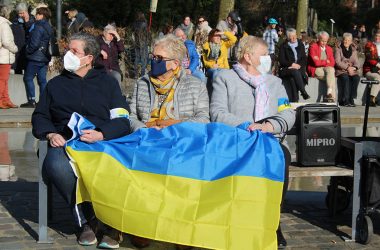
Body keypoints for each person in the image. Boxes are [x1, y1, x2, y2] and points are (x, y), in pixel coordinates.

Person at [32, 32, 131, 249]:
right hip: (65, 142)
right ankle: (86, 221)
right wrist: (50, 133)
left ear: (88, 58)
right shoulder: (55, 85)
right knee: (56, 165)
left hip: (101, 141)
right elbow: (40, 116)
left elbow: (123, 119)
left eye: (74, 51)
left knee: (121, 166)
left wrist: (102, 133)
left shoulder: (108, 83)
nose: (68, 54)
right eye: (68, 49)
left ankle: (111, 222)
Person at [209, 35, 295, 249]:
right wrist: (248, 126)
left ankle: (273, 223)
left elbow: (288, 114)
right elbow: (217, 112)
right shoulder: (225, 78)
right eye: (264, 55)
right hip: (237, 139)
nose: (269, 58)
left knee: (282, 156)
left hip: (268, 140)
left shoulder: (275, 83)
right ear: (247, 56)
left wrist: (268, 127)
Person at [128, 34, 209, 249]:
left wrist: (173, 124)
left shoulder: (195, 85)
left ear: (174, 64)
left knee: (182, 170)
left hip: (181, 143)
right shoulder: (142, 83)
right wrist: (144, 128)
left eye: (158, 57)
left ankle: (180, 230)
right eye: (153, 56)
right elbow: (130, 115)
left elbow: (203, 119)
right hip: (147, 141)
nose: (153, 60)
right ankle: (142, 225)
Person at [20, 7, 53, 108]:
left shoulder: (38, 26)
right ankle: (43, 102)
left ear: (42, 15)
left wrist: (27, 51)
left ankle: (31, 100)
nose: (35, 15)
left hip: (35, 57)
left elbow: (34, 43)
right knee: (42, 80)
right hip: (45, 57)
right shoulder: (49, 26)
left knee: (28, 78)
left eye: (37, 14)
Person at [278, 28, 309, 102]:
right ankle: (303, 92)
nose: (293, 38)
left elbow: (304, 58)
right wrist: (292, 64)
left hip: (298, 68)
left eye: (294, 36)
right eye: (291, 36)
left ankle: (295, 101)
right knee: (294, 72)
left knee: (293, 79)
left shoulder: (300, 44)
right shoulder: (283, 46)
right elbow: (282, 60)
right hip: (286, 69)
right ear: (288, 37)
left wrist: (298, 65)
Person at [307, 31, 336, 102]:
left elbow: (332, 63)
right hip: (315, 69)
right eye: (322, 41)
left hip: (326, 69)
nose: (324, 43)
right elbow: (316, 63)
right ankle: (331, 100)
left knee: (331, 70)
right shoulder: (313, 47)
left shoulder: (329, 49)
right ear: (318, 39)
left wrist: (321, 61)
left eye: (325, 41)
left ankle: (329, 92)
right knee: (332, 77)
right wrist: (326, 61)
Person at [0, 5, 18, 109]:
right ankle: (1, 100)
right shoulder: (4, 24)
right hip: (4, 56)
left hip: (2, 56)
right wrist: (15, 48)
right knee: (3, 80)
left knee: (4, 80)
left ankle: (5, 100)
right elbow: (7, 41)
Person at [335, 33, 360, 107]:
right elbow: (337, 62)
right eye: (345, 40)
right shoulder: (338, 49)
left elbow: (357, 62)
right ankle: (345, 100)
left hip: (351, 70)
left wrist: (354, 68)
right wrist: (347, 68)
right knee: (346, 78)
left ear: (351, 41)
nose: (346, 42)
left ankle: (351, 99)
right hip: (341, 70)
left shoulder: (353, 50)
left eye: (348, 40)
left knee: (356, 78)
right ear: (343, 40)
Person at [12, 2, 35, 74]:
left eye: (22, 13)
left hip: (26, 46)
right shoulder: (15, 19)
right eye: (19, 13)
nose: (21, 15)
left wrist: (27, 21)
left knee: (27, 68)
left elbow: (31, 30)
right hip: (17, 46)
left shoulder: (32, 19)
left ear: (26, 11)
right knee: (17, 68)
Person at [363, 31, 380, 106]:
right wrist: (378, 65)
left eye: (379, 36)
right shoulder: (369, 45)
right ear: (373, 36)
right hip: (369, 71)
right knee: (378, 77)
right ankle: (372, 98)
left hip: (378, 70)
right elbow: (369, 58)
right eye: (376, 35)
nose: (377, 37)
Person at [132, 12, 150, 78]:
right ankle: (142, 74)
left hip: (136, 43)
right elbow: (147, 34)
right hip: (143, 43)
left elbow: (133, 32)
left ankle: (136, 74)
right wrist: (148, 41)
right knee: (144, 59)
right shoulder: (144, 23)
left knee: (137, 58)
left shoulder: (134, 23)